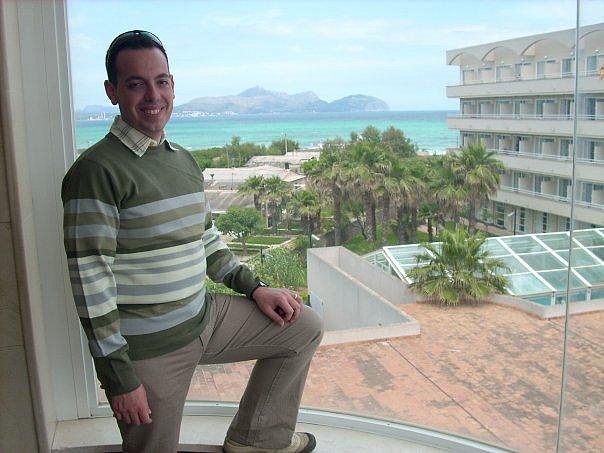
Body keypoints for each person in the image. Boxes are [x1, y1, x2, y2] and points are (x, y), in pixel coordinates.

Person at [62, 30, 323, 453]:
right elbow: (90, 284)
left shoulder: (182, 159)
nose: (153, 95)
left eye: (161, 81)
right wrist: (119, 376)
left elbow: (207, 241)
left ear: (173, 86)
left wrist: (255, 288)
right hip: (149, 349)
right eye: (136, 84)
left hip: (205, 319)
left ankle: (257, 440)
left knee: (302, 327)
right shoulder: (95, 171)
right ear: (112, 92)